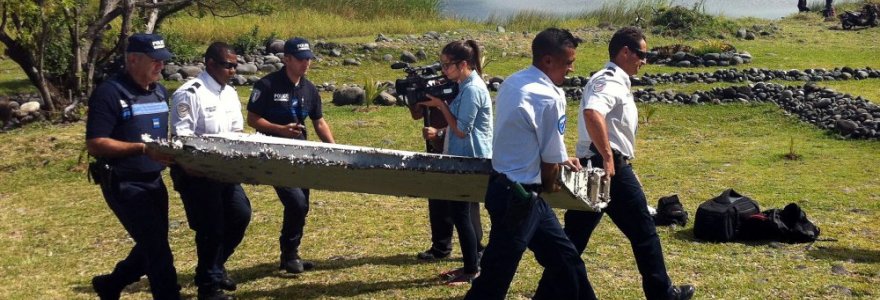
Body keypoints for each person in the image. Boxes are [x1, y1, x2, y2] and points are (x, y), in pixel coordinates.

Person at [565, 26, 695, 300]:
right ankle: (663, 293)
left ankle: (549, 292)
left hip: (597, 165)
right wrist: (609, 157)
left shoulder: (614, 80)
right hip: (609, 167)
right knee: (644, 232)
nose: (644, 61)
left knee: (574, 239)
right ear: (625, 52)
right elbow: (592, 113)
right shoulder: (610, 80)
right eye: (641, 54)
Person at [465, 28, 590, 300]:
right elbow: (549, 164)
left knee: (566, 259)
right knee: (496, 274)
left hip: (503, 186)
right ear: (548, 60)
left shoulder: (513, 82)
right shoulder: (549, 96)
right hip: (521, 197)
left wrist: (557, 156)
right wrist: (552, 183)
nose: (571, 69)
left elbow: (523, 134)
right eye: (568, 62)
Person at [85, 33, 180, 299]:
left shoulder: (160, 91)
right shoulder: (109, 93)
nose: (161, 65)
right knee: (158, 249)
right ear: (133, 59)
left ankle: (111, 283)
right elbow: (95, 143)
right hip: (123, 181)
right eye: (155, 60)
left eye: (163, 60)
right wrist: (140, 149)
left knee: (153, 241)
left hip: (154, 180)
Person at [169, 42, 252, 300]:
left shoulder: (229, 93)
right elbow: (182, 139)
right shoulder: (190, 94)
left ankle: (213, 267)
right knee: (211, 227)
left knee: (240, 215)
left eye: (236, 66)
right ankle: (209, 287)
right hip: (197, 173)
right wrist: (196, 166)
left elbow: (237, 132)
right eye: (228, 65)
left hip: (225, 171)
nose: (233, 70)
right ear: (211, 63)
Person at [246, 37, 335, 274]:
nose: (306, 63)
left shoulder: (309, 88)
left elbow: (319, 121)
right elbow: (252, 119)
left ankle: (289, 254)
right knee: (295, 202)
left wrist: (335, 149)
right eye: (301, 59)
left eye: (309, 59)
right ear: (287, 59)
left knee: (302, 204)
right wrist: (280, 130)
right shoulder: (267, 85)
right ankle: (290, 253)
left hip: (301, 154)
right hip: (274, 154)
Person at [418, 40, 492, 285]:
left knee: (461, 214)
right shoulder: (463, 84)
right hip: (461, 156)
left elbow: (461, 130)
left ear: (463, 64)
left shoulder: (472, 89)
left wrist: (441, 105)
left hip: (470, 157)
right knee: (460, 213)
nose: (444, 70)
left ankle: (472, 269)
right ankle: (471, 264)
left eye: (447, 65)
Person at [408, 74, 485, 264]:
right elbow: (417, 114)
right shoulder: (433, 87)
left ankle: (476, 247)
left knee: (466, 203)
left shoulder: (463, 90)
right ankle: (440, 247)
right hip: (437, 148)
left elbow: (465, 125)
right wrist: (417, 97)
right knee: (438, 198)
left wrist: (439, 132)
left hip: (457, 147)